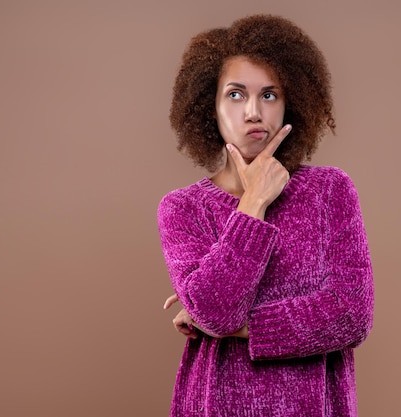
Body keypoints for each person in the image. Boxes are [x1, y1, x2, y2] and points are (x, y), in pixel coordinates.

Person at [157, 14, 374, 417]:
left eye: (269, 95)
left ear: (292, 101)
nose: (253, 112)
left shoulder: (330, 191)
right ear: (210, 106)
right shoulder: (183, 209)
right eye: (236, 95)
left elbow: (351, 314)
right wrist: (253, 202)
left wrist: (235, 328)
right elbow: (217, 310)